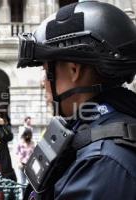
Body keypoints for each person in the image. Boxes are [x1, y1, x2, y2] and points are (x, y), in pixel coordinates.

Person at [17, 1, 136, 200]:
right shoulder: (98, 127)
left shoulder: (102, 164)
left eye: (46, 71)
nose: (42, 82)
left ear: (74, 70)